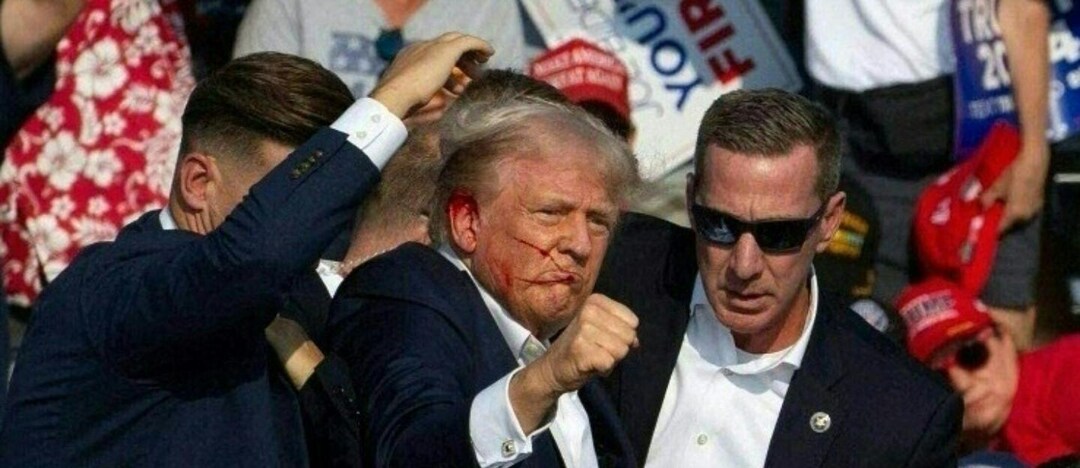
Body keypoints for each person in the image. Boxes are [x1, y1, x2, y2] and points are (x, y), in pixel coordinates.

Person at [0, 34, 494, 466]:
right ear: (198, 183)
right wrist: (389, 99)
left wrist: (415, 122)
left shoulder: (301, 301)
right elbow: (253, 257)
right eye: (287, 192)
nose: (315, 220)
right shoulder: (113, 288)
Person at [593, 88, 961, 467]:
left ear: (829, 221)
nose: (745, 264)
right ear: (691, 200)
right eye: (720, 224)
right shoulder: (606, 261)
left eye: (778, 234)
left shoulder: (900, 415)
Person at [326, 70, 639, 467]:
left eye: (598, 221)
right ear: (467, 221)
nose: (579, 244)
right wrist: (545, 380)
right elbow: (411, 455)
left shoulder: (571, 352)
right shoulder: (406, 293)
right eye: (550, 213)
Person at [804, 0, 1053, 349]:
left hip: (980, 125)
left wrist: (1033, 151)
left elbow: (1022, 8)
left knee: (997, 348)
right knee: (873, 348)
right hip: (855, 135)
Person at [897, 279, 1080, 466]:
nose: (962, 384)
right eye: (938, 377)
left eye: (972, 354)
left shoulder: (1066, 373)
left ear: (1006, 338)